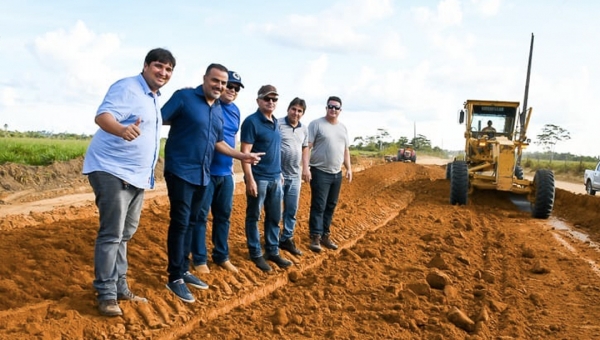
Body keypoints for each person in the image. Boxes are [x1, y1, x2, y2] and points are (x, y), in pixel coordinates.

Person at [82, 48, 176, 317]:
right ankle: (106, 293)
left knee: (125, 234)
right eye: (159, 66)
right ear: (146, 66)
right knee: (112, 234)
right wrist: (122, 129)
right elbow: (102, 116)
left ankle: (120, 286)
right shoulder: (127, 87)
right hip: (111, 170)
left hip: (136, 177)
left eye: (168, 70)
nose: (163, 73)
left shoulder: (154, 98)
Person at [161, 64, 262, 303]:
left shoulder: (217, 108)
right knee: (181, 221)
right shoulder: (184, 97)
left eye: (223, 83)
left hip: (202, 174)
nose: (220, 86)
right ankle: (174, 276)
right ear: (205, 79)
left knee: (191, 221)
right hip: (180, 170)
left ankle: (184, 270)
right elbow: (158, 118)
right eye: (215, 80)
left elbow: (219, 142)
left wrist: (241, 156)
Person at [190, 70, 244, 274]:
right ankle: (199, 259)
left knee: (223, 216)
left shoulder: (235, 110)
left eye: (236, 88)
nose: (232, 90)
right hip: (206, 172)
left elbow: (231, 138)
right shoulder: (209, 105)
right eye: (229, 85)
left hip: (226, 173)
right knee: (201, 216)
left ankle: (222, 256)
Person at [240, 85, 293, 272]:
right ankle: (256, 253)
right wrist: (250, 179)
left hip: (275, 178)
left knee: (274, 217)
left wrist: (279, 174)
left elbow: (274, 150)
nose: (270, 102)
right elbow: (245, 153)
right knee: (254, 216)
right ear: (258, 101)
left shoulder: (276, 122)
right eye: (266, 99)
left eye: (274, 99)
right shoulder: (251, 122)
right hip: (259, 178)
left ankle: (273, 250)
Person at [302, 96, 352, 253]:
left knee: (331, 205)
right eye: (331, 106)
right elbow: (307, 146)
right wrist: (305, 168)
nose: (333, 109)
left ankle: (325, 235)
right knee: (319, 205)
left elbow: (346, 150)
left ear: (340, 110)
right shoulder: (316, 124)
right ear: (326, 108)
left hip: (336, 173)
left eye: (336, 107)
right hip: (319, 171)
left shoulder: (343, 128)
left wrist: (349, 168)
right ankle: (315, 236)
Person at [278, 97, 309, 256]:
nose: (296, 113)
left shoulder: (304, 129)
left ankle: (286, 238)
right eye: (294, 109)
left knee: (291, 210)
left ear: (302, 114)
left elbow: (305, 148)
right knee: (275, 210)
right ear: (288, 109)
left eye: (299, 111)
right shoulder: (277, 124)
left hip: (295, 176)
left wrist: (306, 168)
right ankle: (272, 240)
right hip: (279, 175)